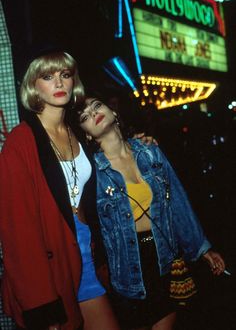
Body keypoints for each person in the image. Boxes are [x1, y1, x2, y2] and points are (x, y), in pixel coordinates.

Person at [76, 96, 226, 330]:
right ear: (86, 133)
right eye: (85, 117)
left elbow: (177, 201)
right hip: (125, 266)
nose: (94, 113)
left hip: (165, 258)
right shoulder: (91, 170)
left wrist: (201, 247)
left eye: (97, 106)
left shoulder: (150, 151)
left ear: (114, 113)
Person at [0, 50, 120, 330]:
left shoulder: (78, 131)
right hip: (50, 264)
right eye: (47, 76)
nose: (59, 83)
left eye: (65, 75)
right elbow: (19, 231)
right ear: (33, 86)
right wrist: (41, 306)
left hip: (87, 255)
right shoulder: (21, 142)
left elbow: (114, 159)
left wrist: (142, 144)